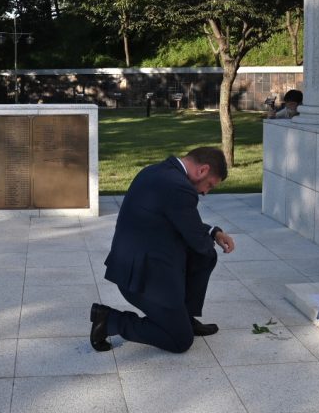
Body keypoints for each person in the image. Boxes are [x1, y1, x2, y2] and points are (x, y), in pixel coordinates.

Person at [90, 147, 236, 353]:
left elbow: (176, 219)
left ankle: (183, 316)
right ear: (202, 170)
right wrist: (207, 239)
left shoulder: (156, 172)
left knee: (203, 252)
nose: (205, 192)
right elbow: (196, 238)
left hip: (131, 267)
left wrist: (213, 232)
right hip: (142, 279)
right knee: (180, 340)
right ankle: (109, 320)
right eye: (209, 185)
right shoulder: (178, 187)